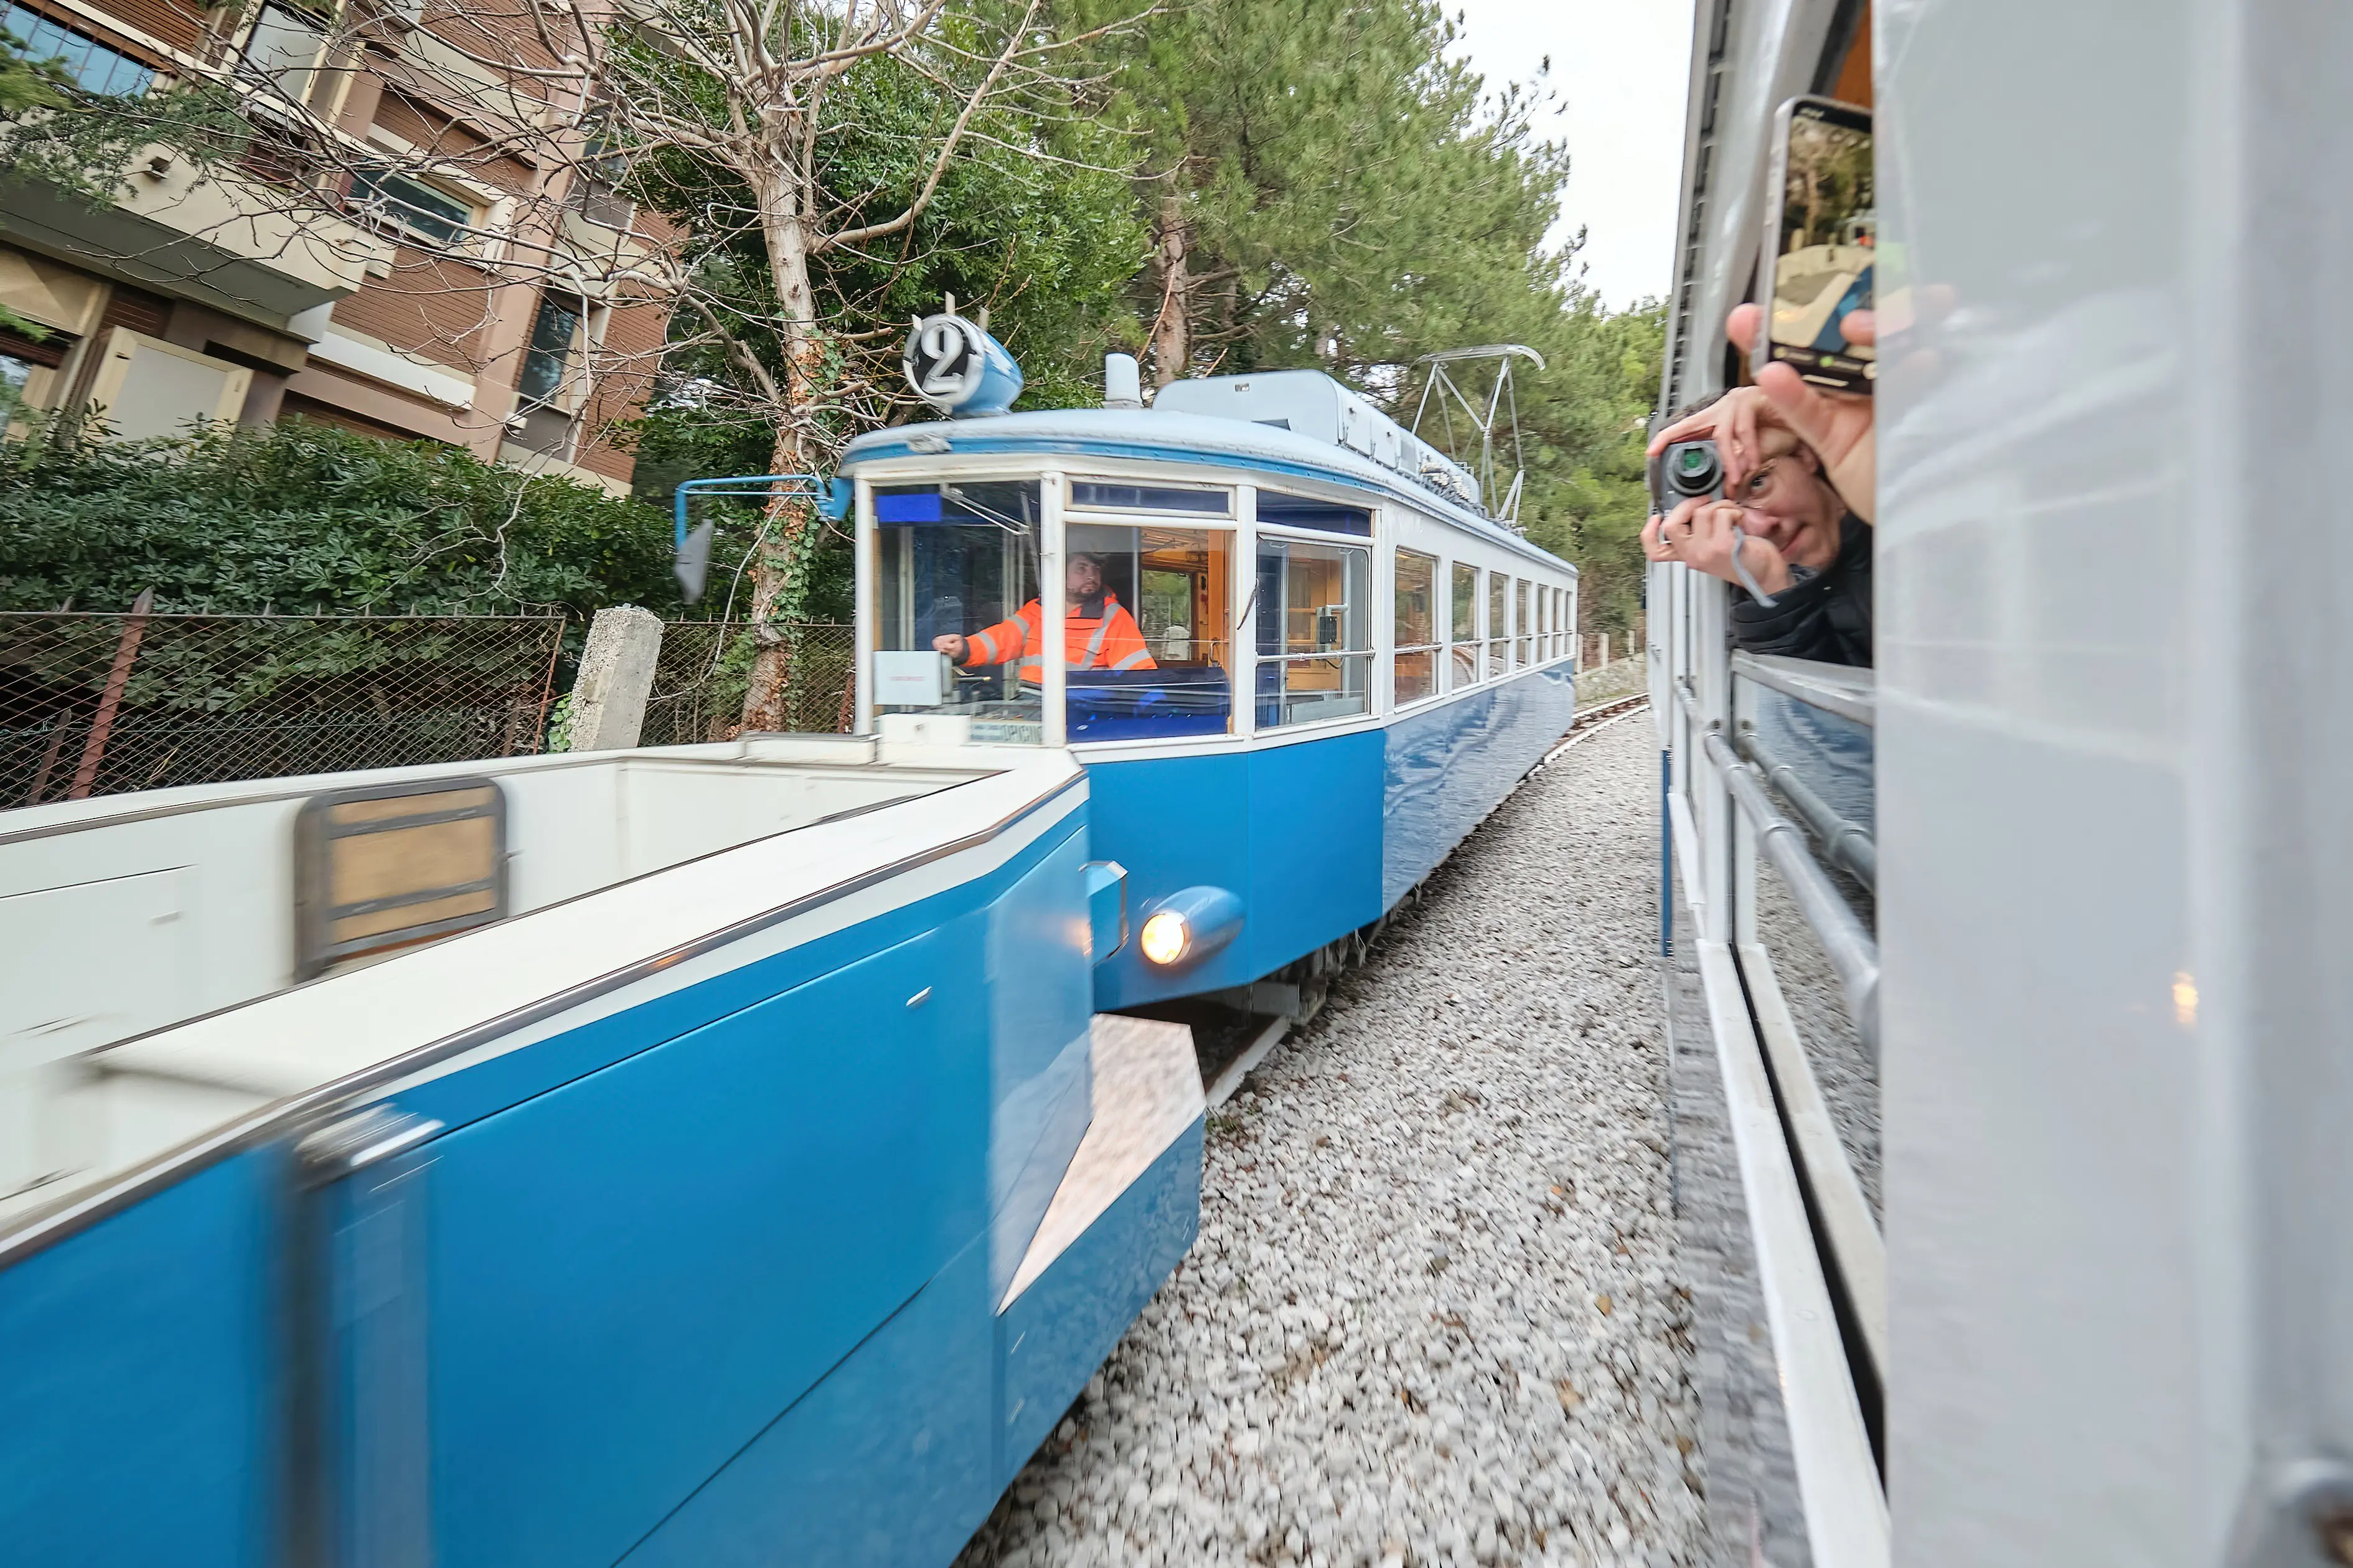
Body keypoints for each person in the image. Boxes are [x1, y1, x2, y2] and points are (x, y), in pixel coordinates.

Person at [1644, 302, 1877, 667]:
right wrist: (1771, 585)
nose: (1760, 527)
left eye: (1758, 483)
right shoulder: (1748, 610)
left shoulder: (1893, 503)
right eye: (1723, 518)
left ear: (1803, 455)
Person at [932, 551, 1157, 677]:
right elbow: (1003, 638)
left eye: (1096, 569)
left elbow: (1138, 676)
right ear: (1062, 573)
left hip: (1081, 715)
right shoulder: (1038, 609)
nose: (1091, 575)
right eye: (1082, 568)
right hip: (1032, 706)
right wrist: (964, 648)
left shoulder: (1114, 616)